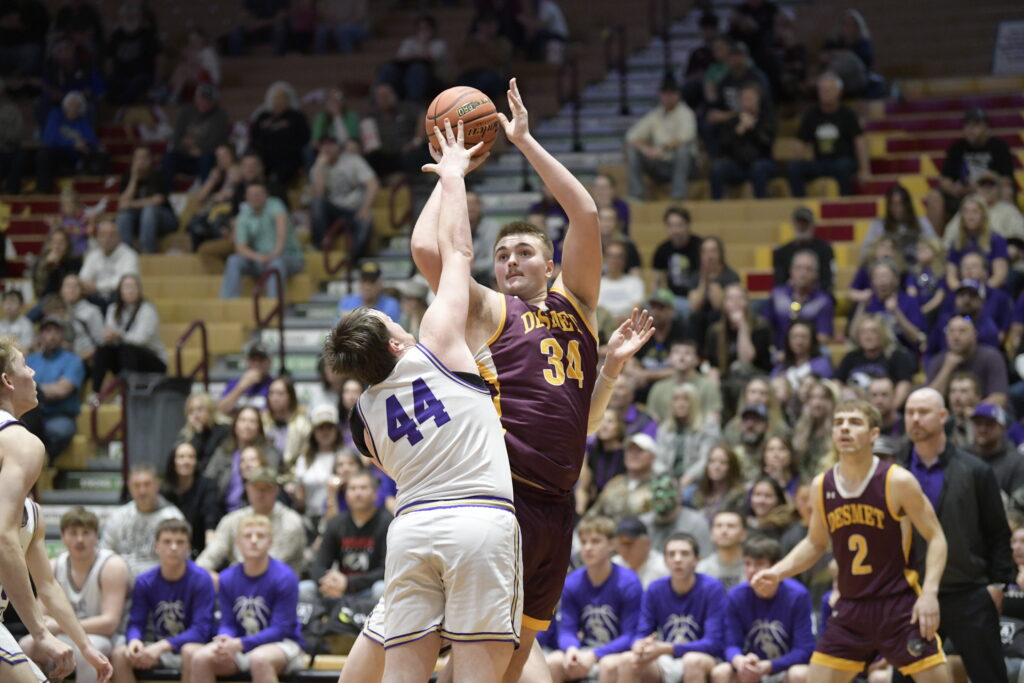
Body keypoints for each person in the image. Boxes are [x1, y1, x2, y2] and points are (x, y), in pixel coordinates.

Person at [326, 121, 523, 680]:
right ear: (395, 340)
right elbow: (455, 251)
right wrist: (455, 177)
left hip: (412, 529)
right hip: (478, 521)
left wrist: (444, 173)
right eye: (392, 316)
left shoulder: (361, 417)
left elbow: (421, 247)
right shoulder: (437, 340)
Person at [751, 397, 950, 682]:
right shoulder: (822, 485)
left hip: (898, 606)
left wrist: (929, 593)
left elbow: (937, 537)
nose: (844, 428)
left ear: (873, 435)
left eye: (854, 423)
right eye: (838, 423)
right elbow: (815, 543)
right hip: (851, 608)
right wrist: (777, 571)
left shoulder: (897, 481)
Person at [892, 389, 1014, 683]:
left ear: (943, 416)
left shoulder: (976, 470)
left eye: (923, 412)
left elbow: (998, 532)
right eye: (910, 413)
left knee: (989, 677)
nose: (915, 419)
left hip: (969, 593)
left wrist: (997, 585)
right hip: (915, 595)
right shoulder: (894, 473)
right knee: (905, 678)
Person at [187, 514, 305, 683]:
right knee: (200, 658)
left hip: (284, 643)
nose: (254, 540)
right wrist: (224, 639)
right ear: (237, 543)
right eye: (248, 536)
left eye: (261, 536)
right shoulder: (227, 578)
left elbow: (280, 629)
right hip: (241, 643)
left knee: (259, 659)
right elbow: (228, 622)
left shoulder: (285, 577)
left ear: (270, 542)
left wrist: (240, 644)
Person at [19, 508, 129, 683]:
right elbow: (40, 617)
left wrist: (60, 626)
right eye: (73, 533)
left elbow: (109, 623)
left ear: (96, 536)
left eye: (86, 533)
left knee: (87, 653)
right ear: (62, 536)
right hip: (66, 635)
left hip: (104, 638)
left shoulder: (112, 565)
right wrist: (58, 628)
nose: (79, 539)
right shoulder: (54, 565)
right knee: (26, 645)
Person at [603, 533, 724, 683]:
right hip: (665, 657)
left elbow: (714, 643)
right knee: (628, 660)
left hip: (701, 656)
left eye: (684, 554)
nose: (677, 559)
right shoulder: (655, 589)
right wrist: (640, 645)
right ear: (665, 561)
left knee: (692, 661)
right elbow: (642, 632)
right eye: (671, 554)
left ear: (697, 560)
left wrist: (667, 648)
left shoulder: (712, 589)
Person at [110, 518, 216, 683]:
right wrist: (135, 641)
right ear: (156, 547)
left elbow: (201, 631)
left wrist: (161, 647)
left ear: (188, 547)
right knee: (119, 655)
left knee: (190, 652)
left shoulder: (201, 579)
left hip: (193, 646)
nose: (173, 547)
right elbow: (136, 622)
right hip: (158, 646)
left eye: (180, 542)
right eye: (167, 542)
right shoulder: (145, 581)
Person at [547, 516, 642, 683]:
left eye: (595, 541)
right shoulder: (572, 582)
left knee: (608, 665)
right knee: (553, 661)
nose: (588, 548)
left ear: (611, 544)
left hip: (617, 653)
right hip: (585, 649)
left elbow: (630, 635)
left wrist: (595, 655)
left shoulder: (628, 582)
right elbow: (567, 629)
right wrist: (571, 649)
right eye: (584, 542)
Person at [713, 536, 813, 683]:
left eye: (759, 564)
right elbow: (730, 644)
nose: (751, 570)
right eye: (747, 564)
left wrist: (770, 666)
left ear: (776, 567)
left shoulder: (797, 595)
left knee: (800, 674)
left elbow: (804, 649)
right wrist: (740, 660)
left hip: (784, 667)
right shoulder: (736, 595)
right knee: (721, 671)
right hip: (749, 667)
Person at [196, 467, 305, 576]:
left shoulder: (291, 522)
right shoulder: (232, 520)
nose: (261, 494)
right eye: (256, 488)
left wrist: (227, 580)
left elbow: (270, 564)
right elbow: (212, 554)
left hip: (280, 584)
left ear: (276, 490)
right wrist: (198, 575)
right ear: (248, 489)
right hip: (237, 582)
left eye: (266, 488)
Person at [309, 469, 391, 603]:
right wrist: (329, 581)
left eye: (363, 488)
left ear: (375, 494)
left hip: (368, 590)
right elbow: (319, 565)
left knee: (380, 589)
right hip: (338, 589)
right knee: (305, 589)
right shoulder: (337, 522)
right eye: (352, 489)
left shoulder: (386, 522)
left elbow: (386, 570)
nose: (358, 493)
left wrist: (349, 582)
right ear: (346, 494)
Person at [926, 107, 1016, 229]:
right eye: (967, 125)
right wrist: (954, 189)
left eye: (976, 125)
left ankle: (1009, 242)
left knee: (1006, 191)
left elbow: (1007, 179)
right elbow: (944, 179)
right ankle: (935, 244)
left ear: (986, 128)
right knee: (934, 196)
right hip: (962, 196)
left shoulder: (999, 147)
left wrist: (981, 186)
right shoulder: (957, 147)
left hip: (990, 195)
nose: (971, 129)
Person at [785, 72, 869, 197]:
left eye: (829, 90)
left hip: (842, 161)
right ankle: (800, 206)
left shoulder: (848, 115)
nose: (825, 93)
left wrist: (864, 170)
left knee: (844, 166)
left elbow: (860, 141)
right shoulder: (811, 115)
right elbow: (800, 141)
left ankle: (844, 205)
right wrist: (799, 157)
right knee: (794, 168)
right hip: (820, 162)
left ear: (838, 92)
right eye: (822, 90)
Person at [219, 182, 305, 300]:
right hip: (260, 259)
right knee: (233, 260)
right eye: (251, 195)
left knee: (276, 264)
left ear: (266, 195)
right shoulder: (244, 214)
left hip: (288, 257)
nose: (255, 197)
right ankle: (228, 303)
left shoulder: (275, 205)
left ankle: (275, 308)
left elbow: (281, 231)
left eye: (258, 194)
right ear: (246, 197)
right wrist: (259, 257)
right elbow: (240, 247)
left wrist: (274, 254)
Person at [101, 464, 185, 579]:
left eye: (147, 484)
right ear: (129, 487)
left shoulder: (173, 518)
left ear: (157, 485)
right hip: (121, 583)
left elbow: (180, 558)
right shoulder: (118, 517)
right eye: (137, 485)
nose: (142, 490)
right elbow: (105, 554)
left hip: (159, 583)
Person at [91, 274, 167, 392]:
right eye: (126, 287)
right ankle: (95, 393)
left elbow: (141, 340)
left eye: (133, 287)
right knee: (103, 350)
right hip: (125, 359)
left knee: (127, 349)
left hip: (152, 360)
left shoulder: (147, 310)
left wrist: (119, 334)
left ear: (139, 290)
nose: (130, 290)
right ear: (120, 291)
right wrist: (109, 337)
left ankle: (127, 393)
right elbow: (109, 335)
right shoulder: (113, 309)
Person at [625, 74, 697, 201]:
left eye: (671, 93)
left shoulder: (686, 113)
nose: (667, 97)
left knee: (682, 149)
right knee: (632, 149)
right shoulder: (655, 114)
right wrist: (647, 149)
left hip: (684, 165)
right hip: (660, 164)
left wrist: (662, 148)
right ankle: (636, 193)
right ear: (660, 95)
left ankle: (678, 195)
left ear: (677, 95)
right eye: (665, 93)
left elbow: (686, 136)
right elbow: (631, 136)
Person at [24, 316, 85, 461]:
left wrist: (33, 388)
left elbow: (62, 390)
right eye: (47, 331)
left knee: (61, 430)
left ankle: (47, 462)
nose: (51, 336)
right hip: (31, 413)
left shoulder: (73, 360)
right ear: (40, 336)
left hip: (58, 416)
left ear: (62, 335)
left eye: (56, 331)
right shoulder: (30, 359)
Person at [309, 135, 378, 256]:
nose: (328, 148)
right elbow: (319, 194)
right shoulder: (317, 167)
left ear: (338, 146)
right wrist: (320, 167)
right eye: (324, 145)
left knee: (365, 222)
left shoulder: (353, 160)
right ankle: (321, 247)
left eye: (331, 144)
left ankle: (353, 262)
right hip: (332, 212)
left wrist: (365, 208)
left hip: (354, 210)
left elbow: (373, 184)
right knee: (317, 203)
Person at [709, 83, 776, 200]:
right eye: (744, 99)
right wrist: (738, 131)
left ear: (757, 99)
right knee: (717, 169)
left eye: (750, 98)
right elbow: (723, 147)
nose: (747, 102)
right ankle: (717, 206)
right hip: (738, 165)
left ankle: (762, 205)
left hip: (762, 162)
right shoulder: (733, 121)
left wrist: (753, 128)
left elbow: (767, 144)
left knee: (758, 168)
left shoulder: (766, 119)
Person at [836, 313, 916, 409]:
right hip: (855, 408)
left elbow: (904, 385)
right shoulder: (851, 357)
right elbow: (837, 382)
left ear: (882, 334)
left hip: (885, 410)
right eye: (863, 332)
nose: (868, 336)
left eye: (873, 331)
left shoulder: (896, 356)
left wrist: (892, 409)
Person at [926, 315, 1007, 406]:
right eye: (951, 331)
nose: (956, 336)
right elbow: (929, 402)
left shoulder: (991, 357)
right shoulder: (938, 360)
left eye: (962, 331)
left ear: (974, 335)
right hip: (950, 417)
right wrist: (947, 369)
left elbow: (999, 398)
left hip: (986, 416)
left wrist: (974, 414)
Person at [35, 90, 106, 194]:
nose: (74, 108)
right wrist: (72, 143)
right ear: (65, 106)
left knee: (98, 155)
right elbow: (49, 139)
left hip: (72, 158)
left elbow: (91, 139)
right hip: (55, 154)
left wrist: (96, 146)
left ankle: (95, 189)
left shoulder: (82, 122)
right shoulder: (56, 115)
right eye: (71, 105)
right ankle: (43, 192)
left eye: (78, 106)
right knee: (43, 153)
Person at [161, 441, 222, 558]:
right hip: (169, 548)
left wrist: (209, 554)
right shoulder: (163, 490)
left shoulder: (208, 485)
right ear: (173, 462)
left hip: (198, 548)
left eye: (191, 457)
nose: (186, 461)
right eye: (181, 457)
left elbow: (210, 519)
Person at [763, 250, 834, 351]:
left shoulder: (823, 301)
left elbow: (823, 337)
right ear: (791, 271)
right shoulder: (777, 295)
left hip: (809, 356)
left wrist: (795, 352)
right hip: (778, 353)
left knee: (825, 352)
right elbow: (765, 326)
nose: (803, 273)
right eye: (798, 268)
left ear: (816, 274)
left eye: (808, 269)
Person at [162, 84, 230, 187]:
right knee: (168, 157)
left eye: (208, 99)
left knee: (206, 157)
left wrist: (195, 146)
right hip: (186, 155)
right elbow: (176, 140)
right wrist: (190, 150)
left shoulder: (220, 115)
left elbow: (218, 140)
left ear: (214, 101)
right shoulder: (186, 113)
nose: (204, 102)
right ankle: (167, 194)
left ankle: (205, 193)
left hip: (208, 157)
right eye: (202, 98)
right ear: (196, 98)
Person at [116, 146, 177, 254]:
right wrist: (134, 178)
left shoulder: (159, 175)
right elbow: (122, 204)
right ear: (133, 161)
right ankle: (126, 253)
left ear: (150, 160)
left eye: (144, 158)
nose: (141, 161)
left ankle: (146, 251)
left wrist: (131, 204)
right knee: (123, 216)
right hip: (139, 220)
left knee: (149, 210)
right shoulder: (127, 177)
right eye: (138, 158)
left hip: (165, 220)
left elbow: (158, 200)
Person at [646, 339, 722, 425]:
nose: (681, 357)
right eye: (677, 352)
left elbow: (714, 420)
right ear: (669, 358)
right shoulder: (658, 388)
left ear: (697, 360)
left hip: (699, 435)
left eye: (687, 353)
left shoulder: (708, 386)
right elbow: (651, 421)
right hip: (665, 436)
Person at [249, 82, 310, 187]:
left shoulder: (297, 117)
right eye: (276, 98)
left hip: (288, 156)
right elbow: (254, 138)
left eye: (283, 98)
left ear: (289, 99)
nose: (279, 101)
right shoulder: (263, 117)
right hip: (264, 156)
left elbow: (304, 138)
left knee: (284, 168)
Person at [639, 475, 713, 559]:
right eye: (655, 490)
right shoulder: (642, 523)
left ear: (680, 495)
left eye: (666, 490)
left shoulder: (696, 523)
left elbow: (705, 560)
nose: (659, 495)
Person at [862, 184, 936, 267]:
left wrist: (926, 251)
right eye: (894, 204)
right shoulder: (878, 225)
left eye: (901, 204)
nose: (899, 209)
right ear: (888, 206)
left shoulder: (921, 222)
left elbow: (936, 246)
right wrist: (875, 253)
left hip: (917, 268)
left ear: (908, 205)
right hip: (889, 269)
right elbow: (864, 254)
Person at [78, 219, 140, 308]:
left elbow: (124, 283)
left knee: (123, 292)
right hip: (95, 298)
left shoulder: (129, 255)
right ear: (97, 238)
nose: (107, 239)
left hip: (119, 300)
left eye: (111, 235)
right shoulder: (93, 255)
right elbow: (83, 279)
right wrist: (90, 286)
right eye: (103, 235)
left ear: (119, 237)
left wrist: (97, 287)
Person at [772, 206, 835, 293]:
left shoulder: (825, 249)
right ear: (793, 224)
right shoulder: (782, 252)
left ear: (812, 224)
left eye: (805, 222)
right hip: (789, 295)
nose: (801, 226)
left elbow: (828, 281)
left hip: (818, 295)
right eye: (799, 222)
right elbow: (778, 283)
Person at [651, 207, 703, 309]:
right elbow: (656, 281)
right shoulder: (662, 250)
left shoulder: (699, 246)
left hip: (697, 295)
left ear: (687, 225)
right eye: (671, 226)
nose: (675, 230)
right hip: (672, 298)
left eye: (679, 225)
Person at [969, 403, 1024, 499]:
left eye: (989, 424)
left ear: (1002, 427)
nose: (982, 429)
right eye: (978, 423)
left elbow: (1019, 508)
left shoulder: (1017, 462)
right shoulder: (962, 455)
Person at [683, 446, 747, 525]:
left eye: (723, 462)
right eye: (712, 461)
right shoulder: (699, 492)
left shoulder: (738, 494)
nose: (716, 467)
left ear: (731, 467)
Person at [612, 516, 669, 589]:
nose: (624, 549)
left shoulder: (663, 567)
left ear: (646, 543)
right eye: (620, 544)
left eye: (628, 543)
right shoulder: (614, 565)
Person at [696, 510, 747, 591]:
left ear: (743, 534)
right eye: (718, 526)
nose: (724, 531)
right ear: (711, 534)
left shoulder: (753, 567)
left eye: (731, 526)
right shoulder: (701, 570)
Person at [218, 341, 274, 415]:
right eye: (253, 360)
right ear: (246, 362)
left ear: (269, 363)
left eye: (261, 360)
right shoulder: (235, 383)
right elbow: (220, 410)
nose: (256, 364)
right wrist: (241, 387)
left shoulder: (274, 385)